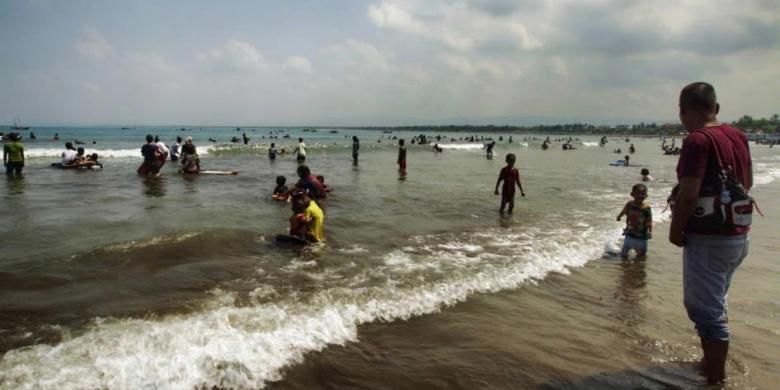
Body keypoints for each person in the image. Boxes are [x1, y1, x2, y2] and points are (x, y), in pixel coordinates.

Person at [669, 82, 752, 385]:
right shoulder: (738, 135)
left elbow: (688, 195)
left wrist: (676, 231)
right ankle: (708, 363)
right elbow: (748, 182)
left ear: (683, 110)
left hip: (709, 237)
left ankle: (715, 377)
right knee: (716, 301)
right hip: (738, 233)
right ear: (715, 108)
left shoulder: (697, 141)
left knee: (703, 308)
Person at [616, 183, 652, 260]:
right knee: (624, 253)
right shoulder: (630, 204)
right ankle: (625, 266)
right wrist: (619, 216)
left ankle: (638, 268)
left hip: (642, 237)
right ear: (632, 194)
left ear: (646, 196)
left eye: (643, 194)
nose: (640, 196)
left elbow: (649, 221)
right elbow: (624, 211)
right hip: (629, 234)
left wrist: (650, 232)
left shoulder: (646, 208)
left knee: (641, 256)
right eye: (637, 193)